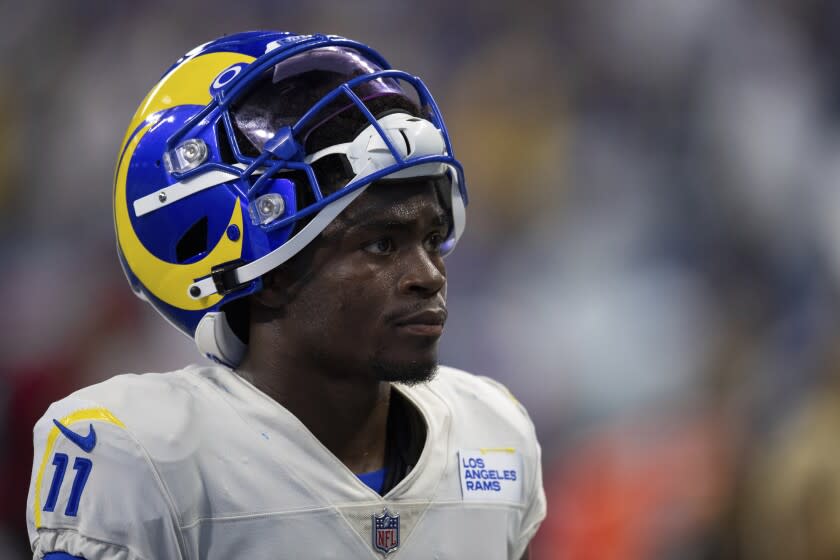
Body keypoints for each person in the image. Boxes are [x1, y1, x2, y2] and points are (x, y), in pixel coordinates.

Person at [25, 31, 546, 559]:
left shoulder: (492, 432)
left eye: (433, 240)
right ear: (263, 275)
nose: (429, 275)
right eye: (382, 244)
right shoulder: (139, 454)